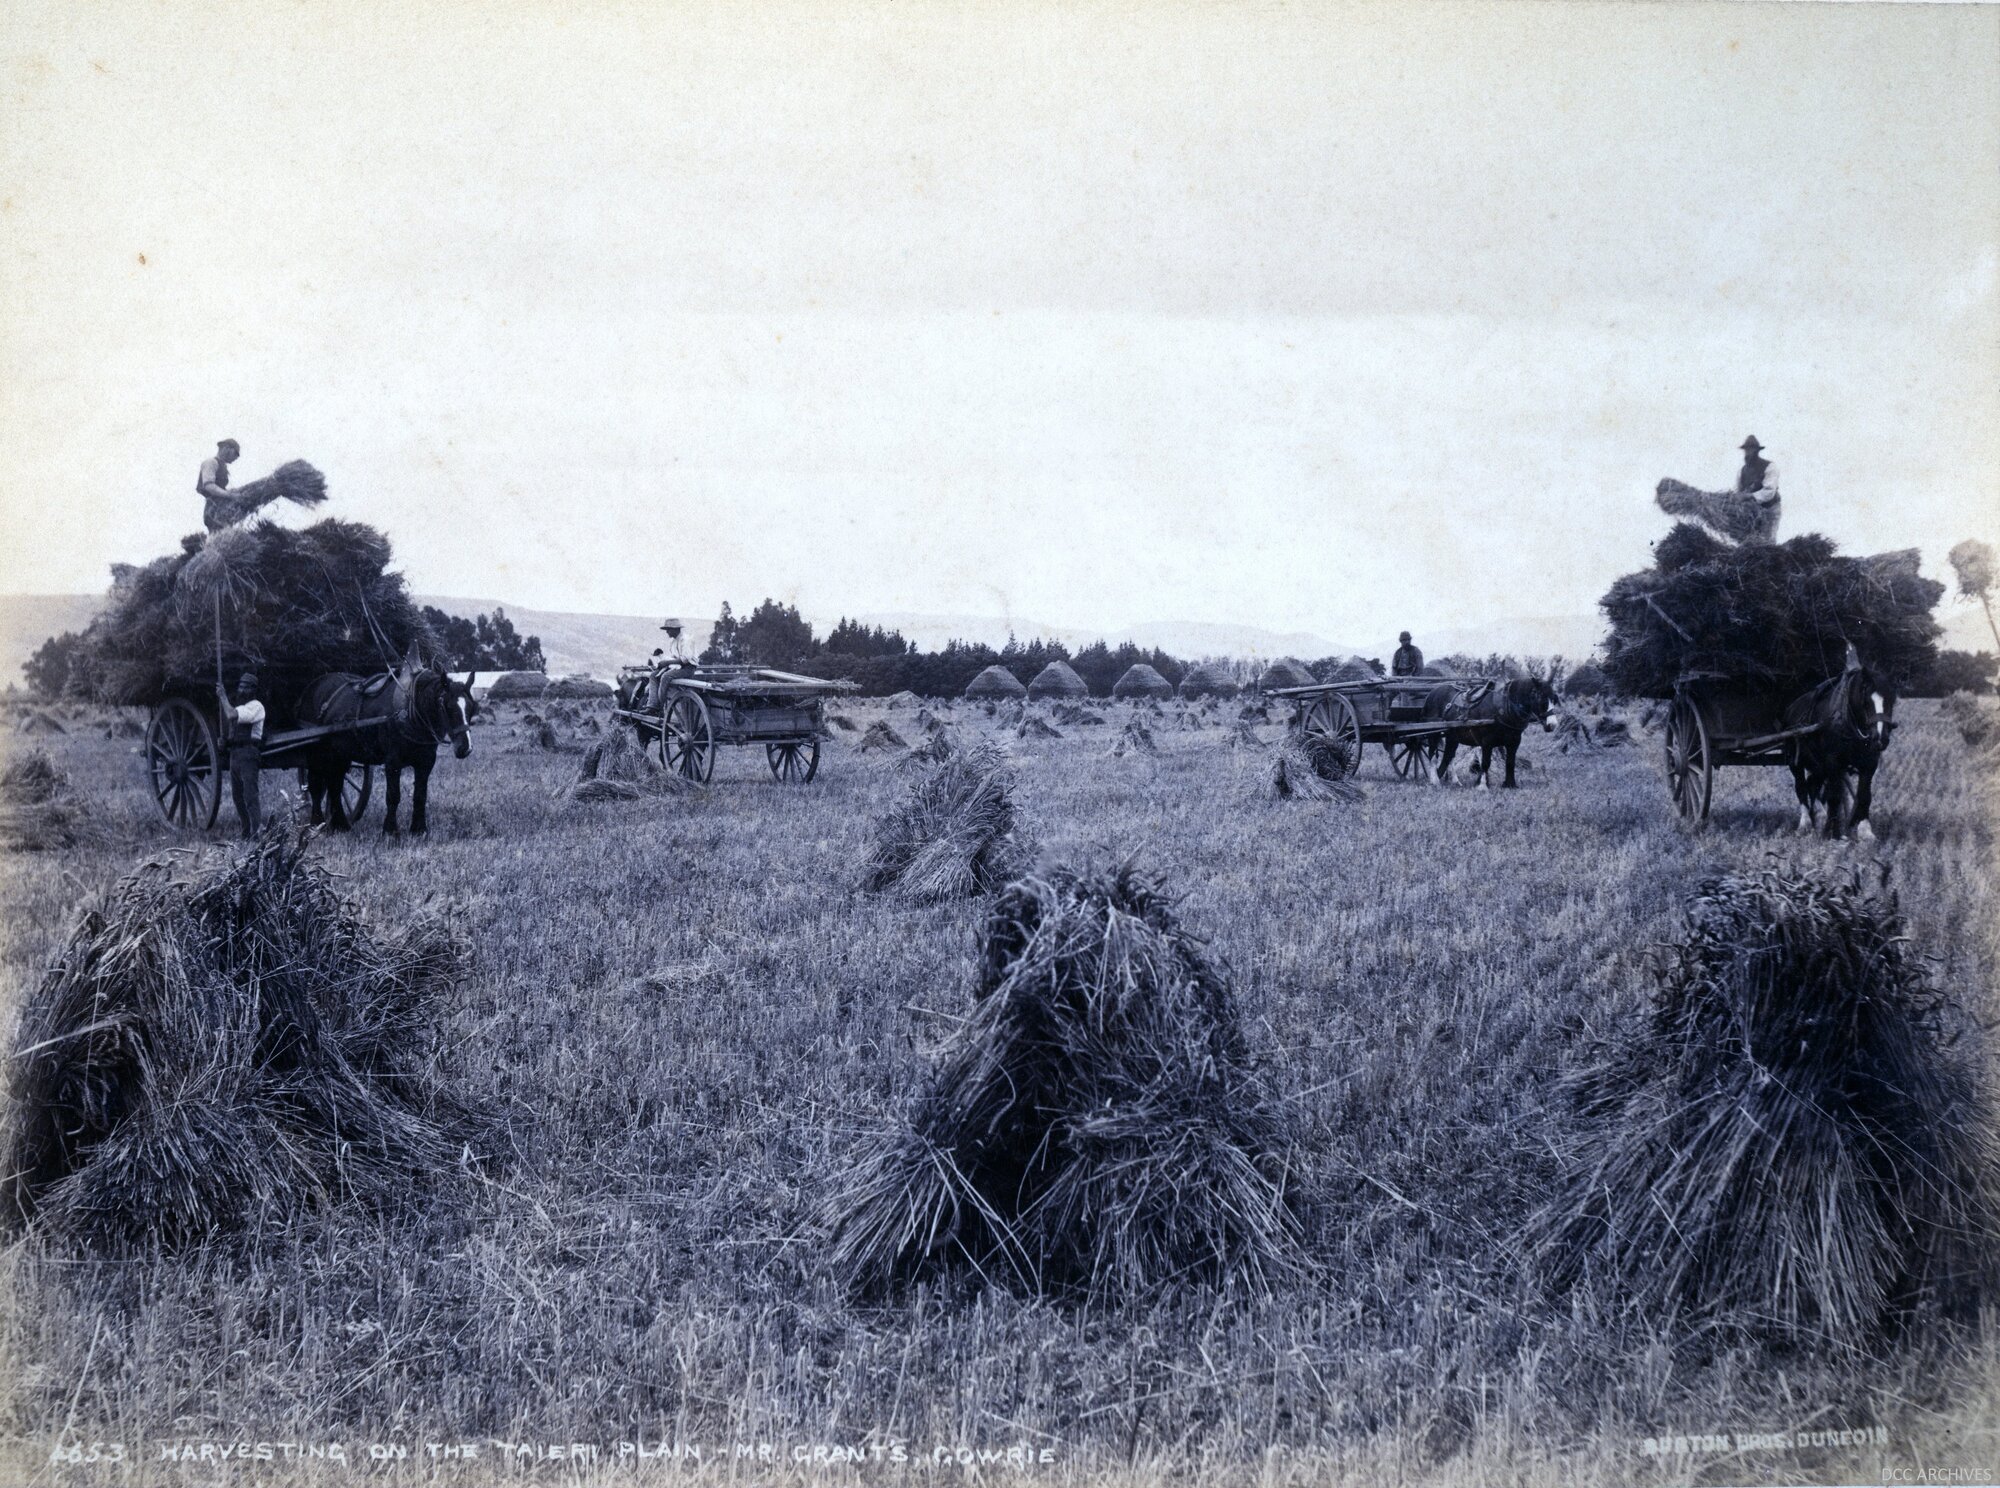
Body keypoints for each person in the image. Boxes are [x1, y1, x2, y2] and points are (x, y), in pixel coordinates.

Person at [216, 670, 266, 839]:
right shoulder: (240, 707)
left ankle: (257, 832)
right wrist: (224, 742)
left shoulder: (256, 707)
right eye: (240, 687)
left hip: (248, 753)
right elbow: (232, 730)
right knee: (237, 797)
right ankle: (246, 831)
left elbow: (230, 714)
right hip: (235, 754)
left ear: (253, 690)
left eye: (246, 688)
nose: (242, 690)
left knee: (250, 795)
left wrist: (222, 696)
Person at [199, 439, 244, 531]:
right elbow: (209, 486)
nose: (236, 458)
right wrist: (230, 495)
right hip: (213, 510)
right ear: (227, 448)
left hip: (220, 508)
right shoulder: (211, 462)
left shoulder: (222, 466)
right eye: (236, 453)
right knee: (219, 536)